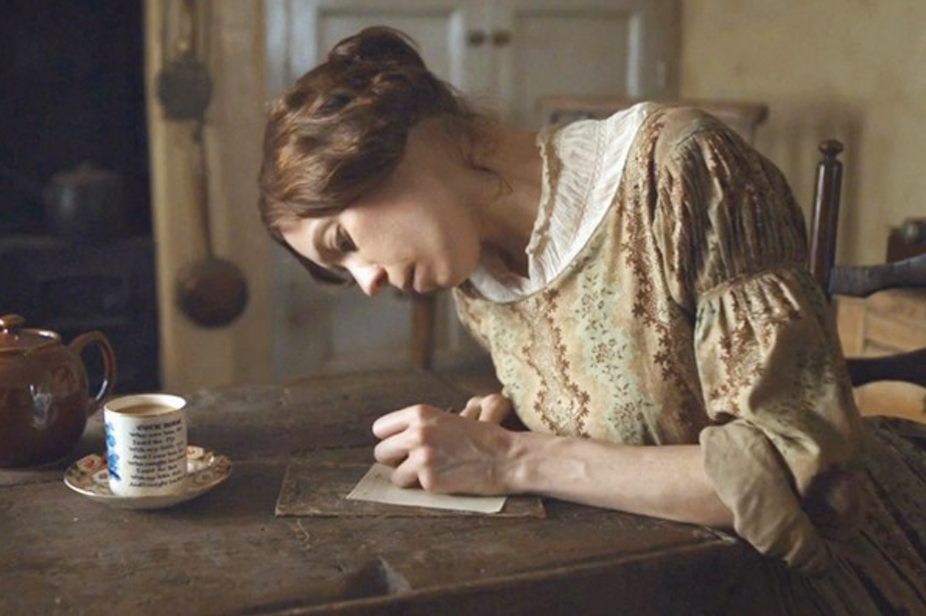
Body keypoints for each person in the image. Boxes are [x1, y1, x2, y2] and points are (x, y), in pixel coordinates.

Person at [258, 26, 926, 613]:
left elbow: (802, 481)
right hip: (649, 569)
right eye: (341, 273)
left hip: (818, 576)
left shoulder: (683, 170)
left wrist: (513, 459)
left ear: (390, 139)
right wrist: (511, 422)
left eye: (344, 242)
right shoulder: (476, 279)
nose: (368, 283)